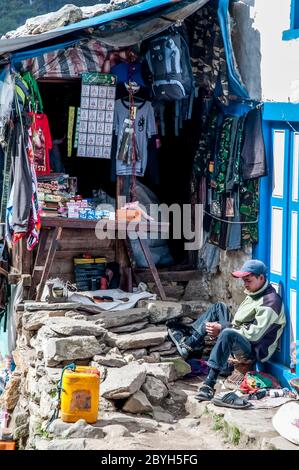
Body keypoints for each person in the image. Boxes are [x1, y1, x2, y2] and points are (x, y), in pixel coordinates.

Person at [167, 259, 286, 402]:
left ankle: (209, 384)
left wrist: (223, 328)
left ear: (261, 278)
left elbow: (254, 335)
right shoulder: (255, 291)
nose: (245, 284)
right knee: (219, 307)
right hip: (241, 336)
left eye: (248, 280)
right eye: (244, 280)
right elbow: (238, 323)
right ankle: (189, 343)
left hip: (254, 350)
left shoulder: (270, 302)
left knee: (227, 333)